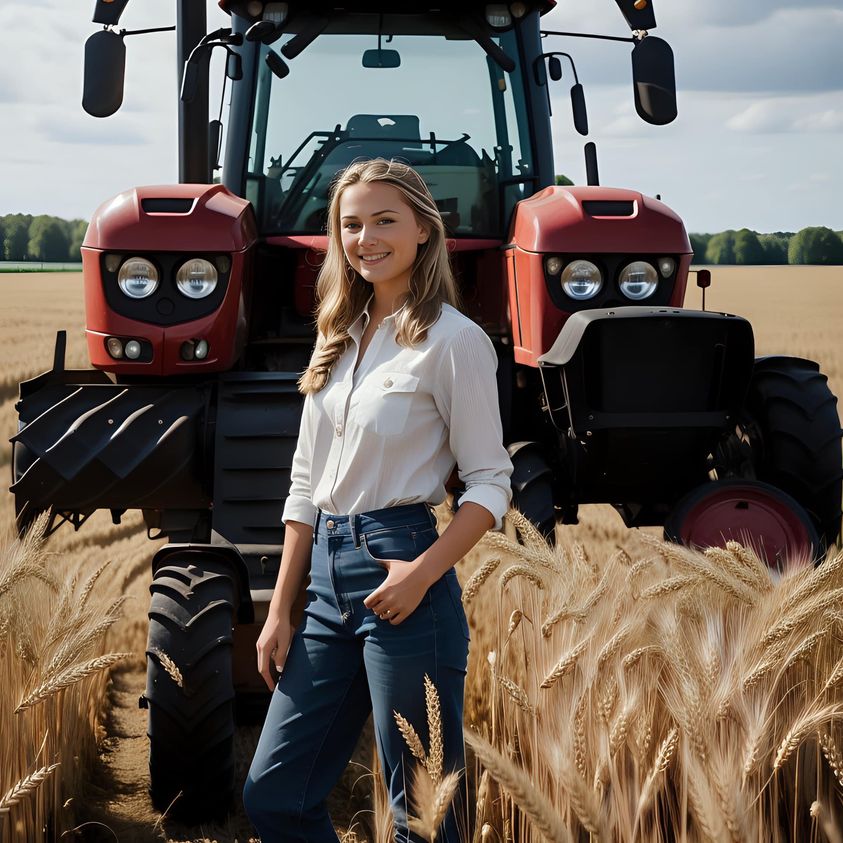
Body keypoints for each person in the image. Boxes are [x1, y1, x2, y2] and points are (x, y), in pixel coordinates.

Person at [242, 158, 514, 842]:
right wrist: (281, 609)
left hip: (404, 567)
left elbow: (489, 481)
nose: (366, 236)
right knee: (274, 794)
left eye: (385, 220)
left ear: (423, 229)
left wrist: (422, 574)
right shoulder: (336, 338)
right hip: (326, 582)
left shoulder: (454, 341)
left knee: (421, 811)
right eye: (351, 223)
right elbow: (305, 485)